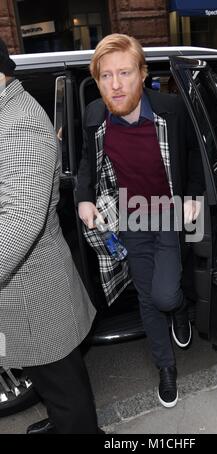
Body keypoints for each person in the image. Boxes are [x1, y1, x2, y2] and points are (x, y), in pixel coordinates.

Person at [76, 34, 203, 408]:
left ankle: (178, 309)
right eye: (105, 76)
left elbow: (194, 157)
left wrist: (193, 196)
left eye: (125, 73)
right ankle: (166, 369)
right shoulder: (95, 116)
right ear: (97, 80)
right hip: (130, 213)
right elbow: (87, 161)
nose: (115, 85)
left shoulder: (172, 110)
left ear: (144, 74)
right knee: (148, 299)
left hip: (169, 211)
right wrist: (84, 199)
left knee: (166, 294)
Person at [0, 38, 102, 434]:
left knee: (63, 386)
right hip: (24, 294)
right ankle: (65, 424)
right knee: (49, 380)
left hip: (33, 297)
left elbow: (20, 223)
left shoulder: (19, 125)